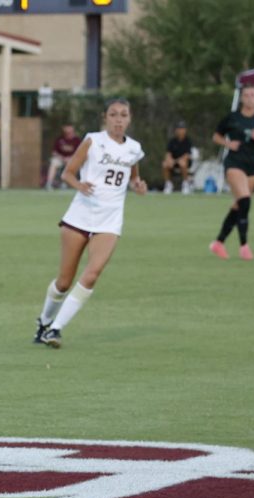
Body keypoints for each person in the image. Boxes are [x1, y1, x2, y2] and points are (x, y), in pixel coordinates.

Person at [33, 98, 147, 349]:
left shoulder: (134, 149)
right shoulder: (93, 141)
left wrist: (138, 185)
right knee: (64, 282)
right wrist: (79, 185)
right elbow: (67, 173)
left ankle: (55, 329)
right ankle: (43, 321)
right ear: (104, 117)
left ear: (130, 119)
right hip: (79, 217)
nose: (118, 119)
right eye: (113, 114)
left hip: (109, 221)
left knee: (93, 274)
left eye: (123, 115)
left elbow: (133, 177)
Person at [209, 86, 254, 261]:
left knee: (239, 206)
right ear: (241, 99)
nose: (249, 98)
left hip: (252, 165)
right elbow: (216, 136)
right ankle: (244, 245)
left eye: (252, 95)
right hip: (234, 163)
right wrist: (228, 144)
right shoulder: (233, 118)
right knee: (245, 201)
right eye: (246, 95)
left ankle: (218, 242)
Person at [44, 123, 82, 190]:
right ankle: (49, 183)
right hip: (60, 159)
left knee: (70, 163)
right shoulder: (60, 139)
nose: (68, 131)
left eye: (70, 129)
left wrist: (70, 158)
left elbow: (80, 153)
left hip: (71, 159)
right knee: (54, 163)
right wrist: (62, 158)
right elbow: (54, 152)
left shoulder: (77, 140)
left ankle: (65, 183)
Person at [161, 120, 193, 194]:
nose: (181, 131)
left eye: (182, 128)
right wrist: (170, 160)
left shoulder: (188, 141)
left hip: (184, 162)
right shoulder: (172, 141)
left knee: (183, 163)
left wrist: (176, 161)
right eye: (179, 128)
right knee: (165, 164)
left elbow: (187, 155)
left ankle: (185, 184)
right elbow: (168, 154)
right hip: (174, 162)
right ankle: (168, 185)